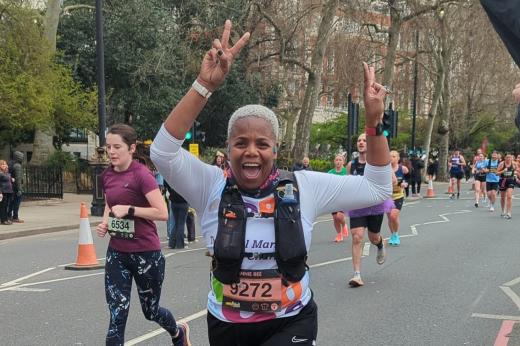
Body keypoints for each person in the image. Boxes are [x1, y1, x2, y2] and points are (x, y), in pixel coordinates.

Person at [150, 19, 391, 346]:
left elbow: (376, 189)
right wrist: (204, 85)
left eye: (262, 144)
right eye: (241, 143)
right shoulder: (210, 186)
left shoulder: (305, 187)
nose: (251, 152)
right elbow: (162, 152)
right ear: (228, 149)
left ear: (276, 150)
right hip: (227, 322)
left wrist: (374, 124)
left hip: (291, 321)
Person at [95, 124, 189, 346]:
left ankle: (178, 331)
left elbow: (162, 213)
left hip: (146, 254)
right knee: (117, 314)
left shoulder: (142, 175)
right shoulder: (107, 175)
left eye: (117, 147)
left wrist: (130, 209)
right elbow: (110, 202)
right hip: (117, 253)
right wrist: (105, 222)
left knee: (151, 310)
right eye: (108, 147)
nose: (111, 152)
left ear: (132, 148)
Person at [346, 133, 393, 287]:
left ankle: (380, 244)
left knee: (373, 237)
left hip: (375, 205)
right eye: (359, 140)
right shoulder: (351, 165)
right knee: (357, 237)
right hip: (357, 205)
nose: (361, 142)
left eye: (364, 140)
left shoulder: (378, 163)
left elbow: (392, 179)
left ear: (370, 144)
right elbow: (347, 184)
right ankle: (357, 275)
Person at [387, 150, 408, 246]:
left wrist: (405, 184)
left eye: (394, 156)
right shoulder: (385, 169)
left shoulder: (403, 169)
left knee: (393, 216)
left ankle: (395, 234)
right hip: (387, 196)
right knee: (390, 218)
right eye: (390, 156)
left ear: (398, 158)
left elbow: (408, 181)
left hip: (398, 195)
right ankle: (393, 235)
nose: (392, 158)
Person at [328, 153, 349, 242]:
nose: (338, 162)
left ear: (343, 162)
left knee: (340, 216)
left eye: (340, 160)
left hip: (343, 197)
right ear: (334, 162)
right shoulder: (330, 172)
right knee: (335, 218)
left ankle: (344, 225)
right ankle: (339, 234)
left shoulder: (346, 171)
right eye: (336, 160)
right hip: (333, 198)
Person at [496, 154, 517, 219]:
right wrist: (503, 171)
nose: (508, 159)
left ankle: (509, 212)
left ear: (511, 158)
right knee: (503, 197)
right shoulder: (501, 164)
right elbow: (496, 173)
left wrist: (516, 174)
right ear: (505, 158)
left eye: (510, 157)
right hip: (503, 181)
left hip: (510, 180)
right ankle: (503, 210)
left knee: (509, 196)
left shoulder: (514, 164)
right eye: (507, 157)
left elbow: (517, 170)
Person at [8, 151, 24, 223]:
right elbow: (18, 178)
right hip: (16, 187)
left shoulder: (11, 164)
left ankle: (9, 215)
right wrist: (20, 189)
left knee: (11, 202)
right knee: (16, 203)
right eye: (21, 156)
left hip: (12, 186)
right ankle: (15, 216)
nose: (22, 158)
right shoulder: (18, 166)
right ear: (18, 157)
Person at [0, 160, 14, 225]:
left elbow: (9, 178)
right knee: (3, 206)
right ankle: (3, 220)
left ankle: (6, 219)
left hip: (8, 192)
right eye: (2, 164)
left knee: (6, 206)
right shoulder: (0, 173)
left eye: (5, 164)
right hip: (3, 192)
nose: (4, 165)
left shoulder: (6, 172)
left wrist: (11, 179)